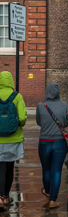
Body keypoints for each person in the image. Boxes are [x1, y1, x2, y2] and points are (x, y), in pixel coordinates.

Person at [36, 82, 68, 208]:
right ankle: (53, 200)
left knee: (46, 169)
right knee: (56, 171)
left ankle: (48, 192)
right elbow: (66, 123)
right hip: (60, 142)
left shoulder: (41, 105)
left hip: (44, 142)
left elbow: (39, 122)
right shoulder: (64, 105)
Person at [0, 71, 26, 207]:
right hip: (13, 138)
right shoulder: (17, 96)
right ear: (11, 81)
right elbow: (22, 118)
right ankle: (5, 196)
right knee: (10, 167)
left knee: (0, 168)